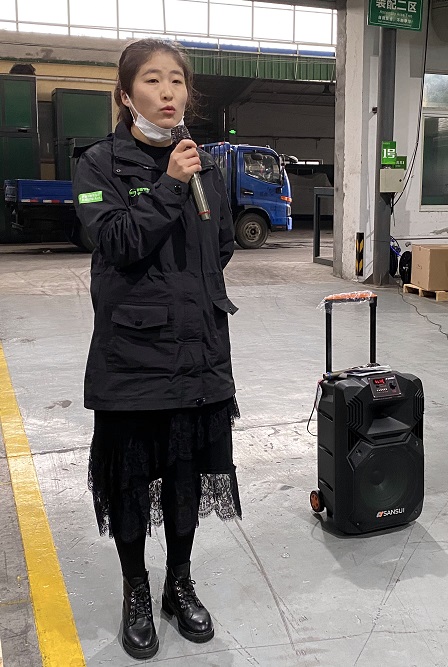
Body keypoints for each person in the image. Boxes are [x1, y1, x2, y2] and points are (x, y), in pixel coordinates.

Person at [73, 38, 241, 660]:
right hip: (133, 356)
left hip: (199, 350)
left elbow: (221, 245)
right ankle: (137, 590)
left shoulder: (207, 166)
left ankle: (178, 583)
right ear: (126, 95)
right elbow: (115, 240)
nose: (168, 92)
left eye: (177, 80)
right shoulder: (98, 165)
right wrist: (169, 185)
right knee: (131, 482)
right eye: (152, 80)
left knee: (184, 479)